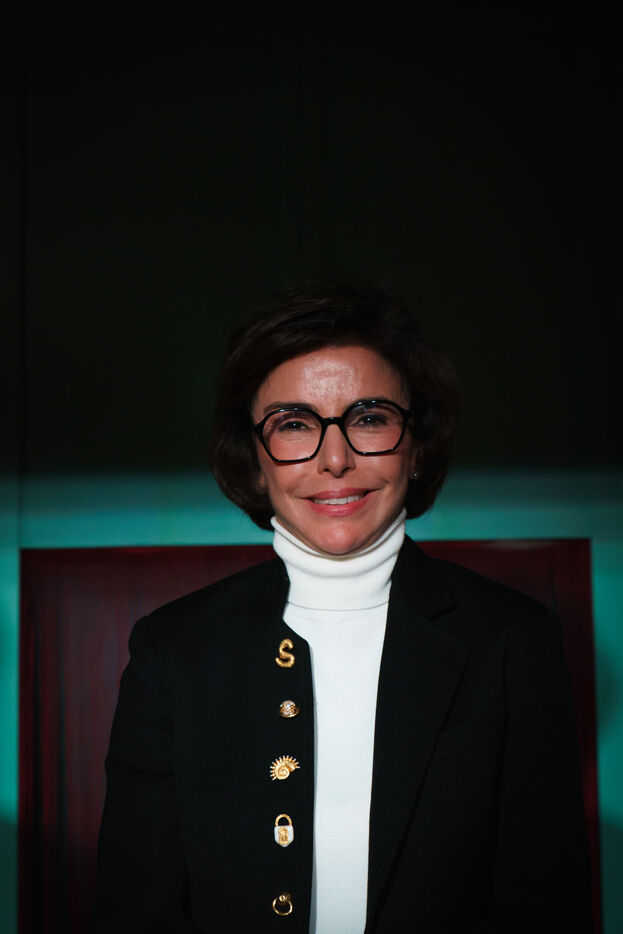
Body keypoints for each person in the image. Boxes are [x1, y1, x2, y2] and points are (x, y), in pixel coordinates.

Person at [93, 279, 592, 932]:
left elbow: (546, 906)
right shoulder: (173, 651)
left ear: (417, 444)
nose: (335, 459)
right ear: (255, 458)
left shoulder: (512, 641)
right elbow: (135, 913)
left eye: (369, 418)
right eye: (293, 425)